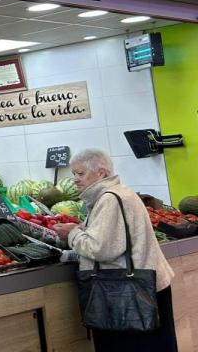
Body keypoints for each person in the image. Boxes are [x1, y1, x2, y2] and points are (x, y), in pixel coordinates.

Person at [52, 149, 177, 351]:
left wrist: (73, 234)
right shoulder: (120, 193)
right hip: (146, 285)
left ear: (101, 172)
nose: (75, 179)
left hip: (128, 292)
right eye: (74, 174)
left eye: (80, 173)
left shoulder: (110, 199)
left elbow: (101, 249)